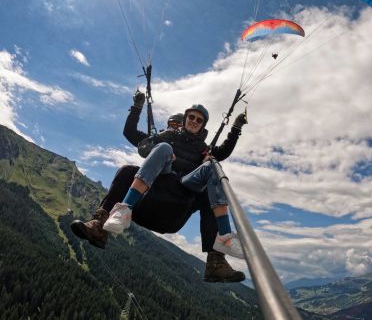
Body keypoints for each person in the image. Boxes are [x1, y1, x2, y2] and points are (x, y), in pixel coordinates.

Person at [71, 91, 248, 281]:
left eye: (199, 120)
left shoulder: (204, 151)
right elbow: (130, 133)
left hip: (177, 208)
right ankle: (100, 226)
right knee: (128, 170)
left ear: (203, 125)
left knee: (212, 171)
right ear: (185, 119)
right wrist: (137, 107)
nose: (194, 121)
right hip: (149, 200)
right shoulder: (166, 138)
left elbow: (224, 151)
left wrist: (236, 128)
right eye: (191, 117)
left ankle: (216, 259)